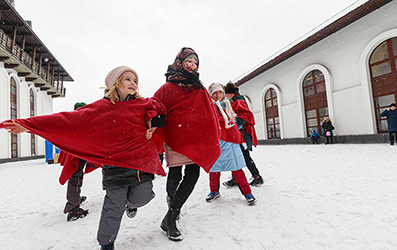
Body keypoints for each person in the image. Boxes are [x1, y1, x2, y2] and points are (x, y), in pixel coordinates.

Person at [1, 66, 167, 250]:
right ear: (116, 82)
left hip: (139, 162)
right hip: (114, 165)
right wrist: (29, 126)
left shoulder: (142, 104)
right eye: (128, 79)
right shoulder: (102, 107)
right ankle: (106, 242)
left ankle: (132, 205)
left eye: (135, 81)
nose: (133, 83)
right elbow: (67, 119)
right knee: (114, 206)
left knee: (143, 196)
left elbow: (159, 108)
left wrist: (155, 121)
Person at [153, 47, 221, 241]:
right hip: (176, 137)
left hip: (195, 139)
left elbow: (208, 110)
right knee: (176, 172)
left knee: (193, 173)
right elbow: (155, 105)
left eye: (195, 62)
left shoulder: (198, 87)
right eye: (189, 61)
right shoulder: (167, 87)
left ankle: (171, 215)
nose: (192, 65)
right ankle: (172, 205)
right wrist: (157, 120)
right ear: (179, 62)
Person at [206, 83, 256, 205]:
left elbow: (238, 119)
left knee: (237, 169)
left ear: (223, 93)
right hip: (216, 142)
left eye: (220, 92)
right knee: (214, 170)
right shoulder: (208, 107)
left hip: (230, 141)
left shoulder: (229, 104)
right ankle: (214, 191)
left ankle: (247, 193)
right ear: (211, 95)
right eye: (215, 93)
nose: (218, 95)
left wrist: (236, 128)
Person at [222, 82, 264, 187]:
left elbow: (247, 116)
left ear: (230, 94)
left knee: (244, 156)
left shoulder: (238, 101)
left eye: (225, 94)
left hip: (242, 135)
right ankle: (236, 178)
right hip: (239, 134)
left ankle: (257, 177)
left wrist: (234, 120)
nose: (224, 96)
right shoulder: (234, 100)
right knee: (236, 155)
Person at [61, 102, 89, 222]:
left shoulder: (77, 121)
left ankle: (76, 198)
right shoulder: (75, 122)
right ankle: (73, 208)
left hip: (79, 155)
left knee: (78, 176)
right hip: (75, 155)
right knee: (74, 177)